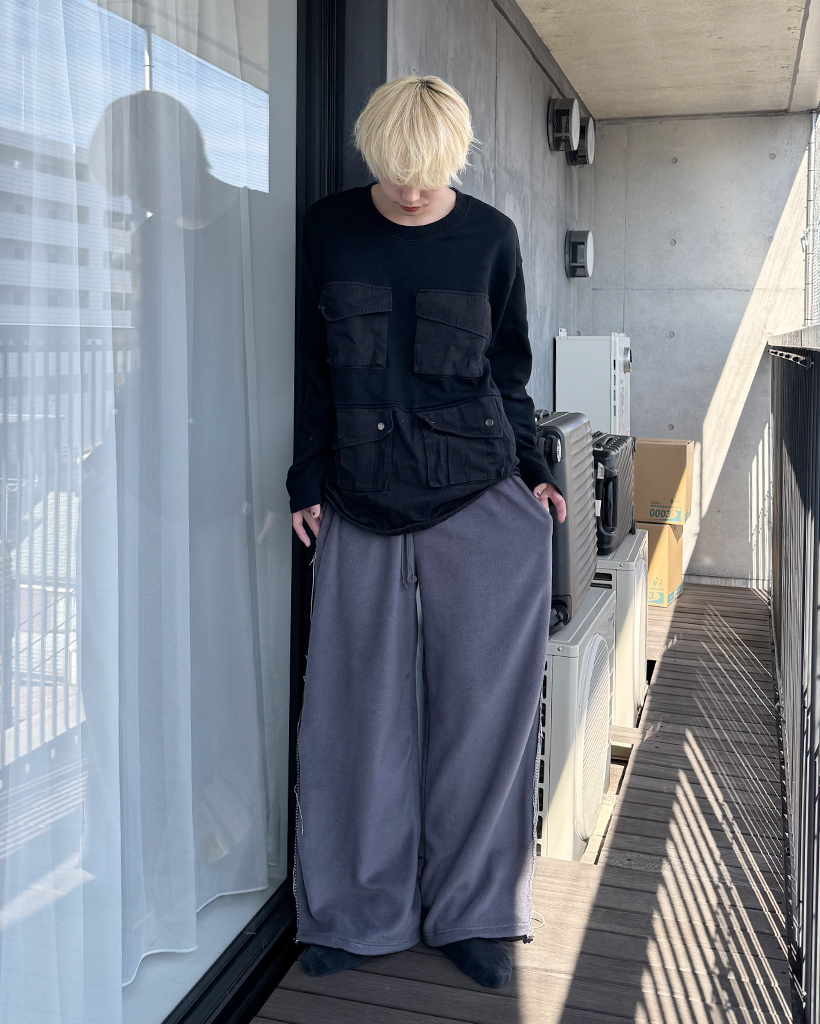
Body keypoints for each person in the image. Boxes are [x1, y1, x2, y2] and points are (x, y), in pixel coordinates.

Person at [286, 75, 566, 989]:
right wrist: (305, 477)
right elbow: (311, 367)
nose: (412, 191)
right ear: (373, 153)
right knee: (351, 714)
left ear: (456, 157)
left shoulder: (491, 237)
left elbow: (508, 375)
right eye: (398, 172)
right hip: (359, 494)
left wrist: (536, 473)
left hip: (481, 495)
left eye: (430, 174)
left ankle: (475, 912)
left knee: (485, 714)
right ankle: (357, 913)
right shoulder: (329, 228)